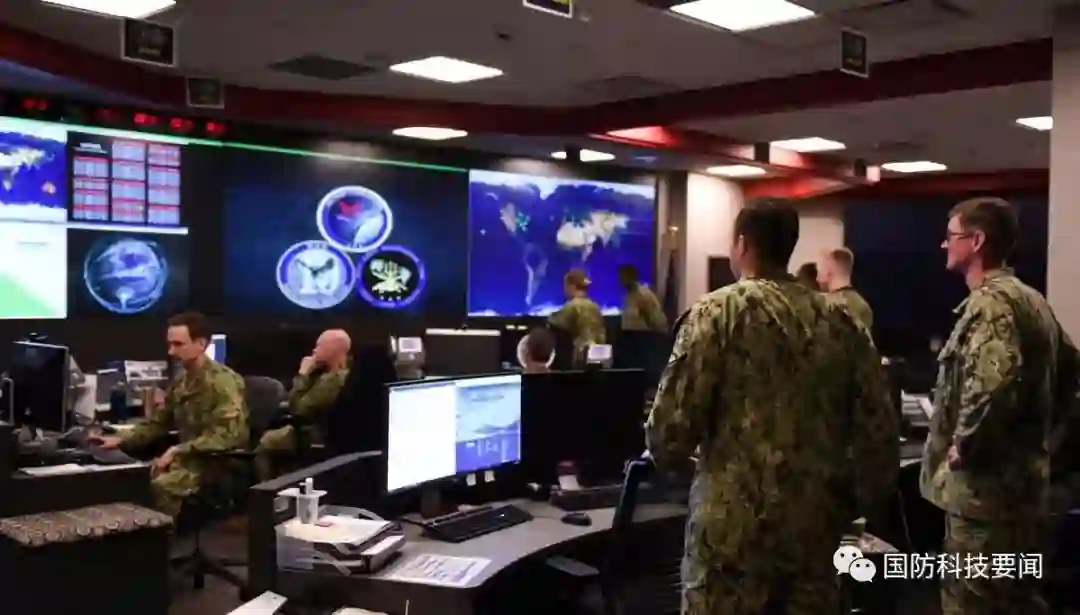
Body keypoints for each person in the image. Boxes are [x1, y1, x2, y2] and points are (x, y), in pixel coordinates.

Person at [646, 203, 898, 615]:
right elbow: (879, 431)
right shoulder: (842, 321)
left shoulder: (716, 313)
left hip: (731, 537)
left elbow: (668, 435)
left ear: (743, 244)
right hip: (814, 530)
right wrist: (851, 505)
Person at [921, 196, 1077, 615]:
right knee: (1016, 602)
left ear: (976, 241)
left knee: (971, 603)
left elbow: (993, 383)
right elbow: (1070, 375)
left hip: (984, 500)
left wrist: (965, 444)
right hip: (1025, 491)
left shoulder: (990, 305)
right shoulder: (1031, 299)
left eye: (951, 236)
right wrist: (1042, 437)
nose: (944, 244)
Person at [92, 312, 248, 518]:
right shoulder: (182, 381)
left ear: (201, 344)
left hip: (213, 464)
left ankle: (165, 536)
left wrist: (178, 450)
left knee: (158, 487)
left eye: (178, 344)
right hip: (186, 460)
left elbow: (229, 436)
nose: (171, 351)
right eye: (170, 344)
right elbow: (158, 423)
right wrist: (120, 439)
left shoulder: (223, 382)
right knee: (127, 479)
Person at [254, 329, 352, 481]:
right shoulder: (326, 374)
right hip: (313, 430)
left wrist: (303, 374)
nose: (314, 350)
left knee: (267, 442)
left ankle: (265, 488)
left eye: (319, 346)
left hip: (317, 434)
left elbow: (299, 409)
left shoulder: (334, 380)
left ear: (333, 350)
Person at [548, 268, 606, 362]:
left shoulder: (573, 306)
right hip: (600, 353)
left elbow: (555, 322)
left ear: (571, 287)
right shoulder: (595, 306)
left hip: (583, 354)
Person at [818, 247, 874, 332]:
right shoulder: (864, 306)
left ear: (830, 268)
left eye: (822, 267)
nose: (818, 274)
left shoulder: (826, 306)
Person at [618, 264, 668, 332]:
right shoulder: (627, 297)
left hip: (643, 336)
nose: (621, 281)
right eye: (620, 278)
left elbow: (659, 322)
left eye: (624, 277)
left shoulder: (644, 295)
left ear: (632, 278)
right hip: (629, 336)